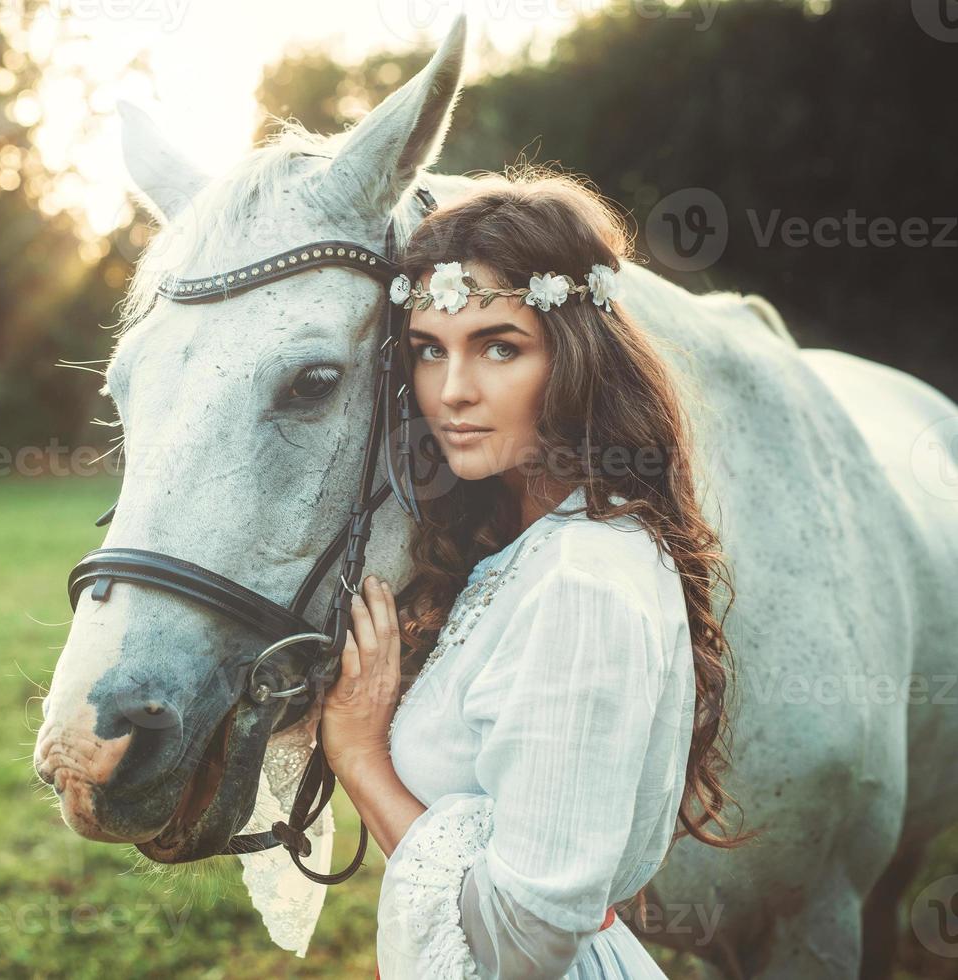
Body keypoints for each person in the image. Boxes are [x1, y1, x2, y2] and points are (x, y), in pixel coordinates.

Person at [319, 168, 757, 979]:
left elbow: (523, 942)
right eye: (427, 351)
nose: (451, 392)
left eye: (498, 346)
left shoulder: (580, 584)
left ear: (576, 356)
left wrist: (359, 755)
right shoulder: (525, 543)